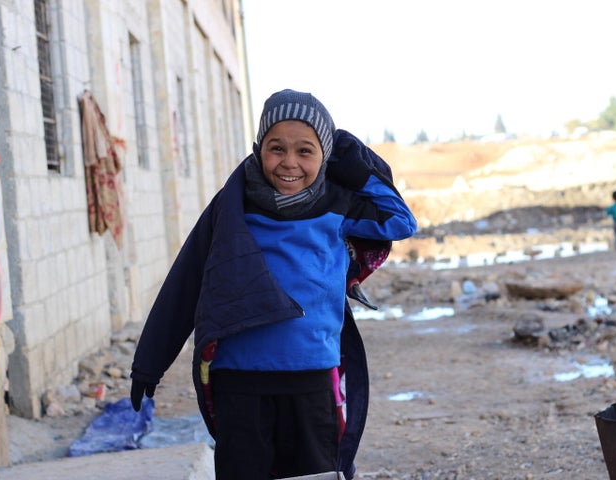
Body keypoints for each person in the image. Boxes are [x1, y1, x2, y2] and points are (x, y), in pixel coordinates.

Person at [129, 89, 417, 480]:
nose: (290, 163)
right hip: (239, 379)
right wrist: (148, 365)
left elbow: (400, 221)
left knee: (313, 475)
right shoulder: (232, 208)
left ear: (325, 156)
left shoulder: (338, 205)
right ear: (258, 148)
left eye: (306, 151)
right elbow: (187, 279)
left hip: (312, 376)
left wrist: (356, 161)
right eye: (276, 148)